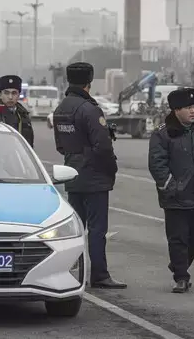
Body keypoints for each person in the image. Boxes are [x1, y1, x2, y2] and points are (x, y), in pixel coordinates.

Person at [52, 62, 126, 289]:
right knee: (97, 230)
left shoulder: (60, 109)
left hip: (72, 174)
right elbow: (103, 147)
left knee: (75, 228)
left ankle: (65, 271)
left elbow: (60, 146)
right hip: (94, 177)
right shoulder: (89, 109)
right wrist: (110, 169)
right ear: (89, 82)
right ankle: (100, 275)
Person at [148, 87, 194, 293]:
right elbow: (157, 165)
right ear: (176, 110)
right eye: (188, 107)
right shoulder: (163, 134)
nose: (193, 111)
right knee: (178, 238)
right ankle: (181, 277)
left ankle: (178, 264)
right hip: (176, 197)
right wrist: (171, 187)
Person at [0, 75, 34, 147]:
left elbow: (29, 144)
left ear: (18, 95)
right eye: (6, 93)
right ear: (0, 95)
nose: (10, 97)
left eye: (14, 93)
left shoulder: (24, 115)